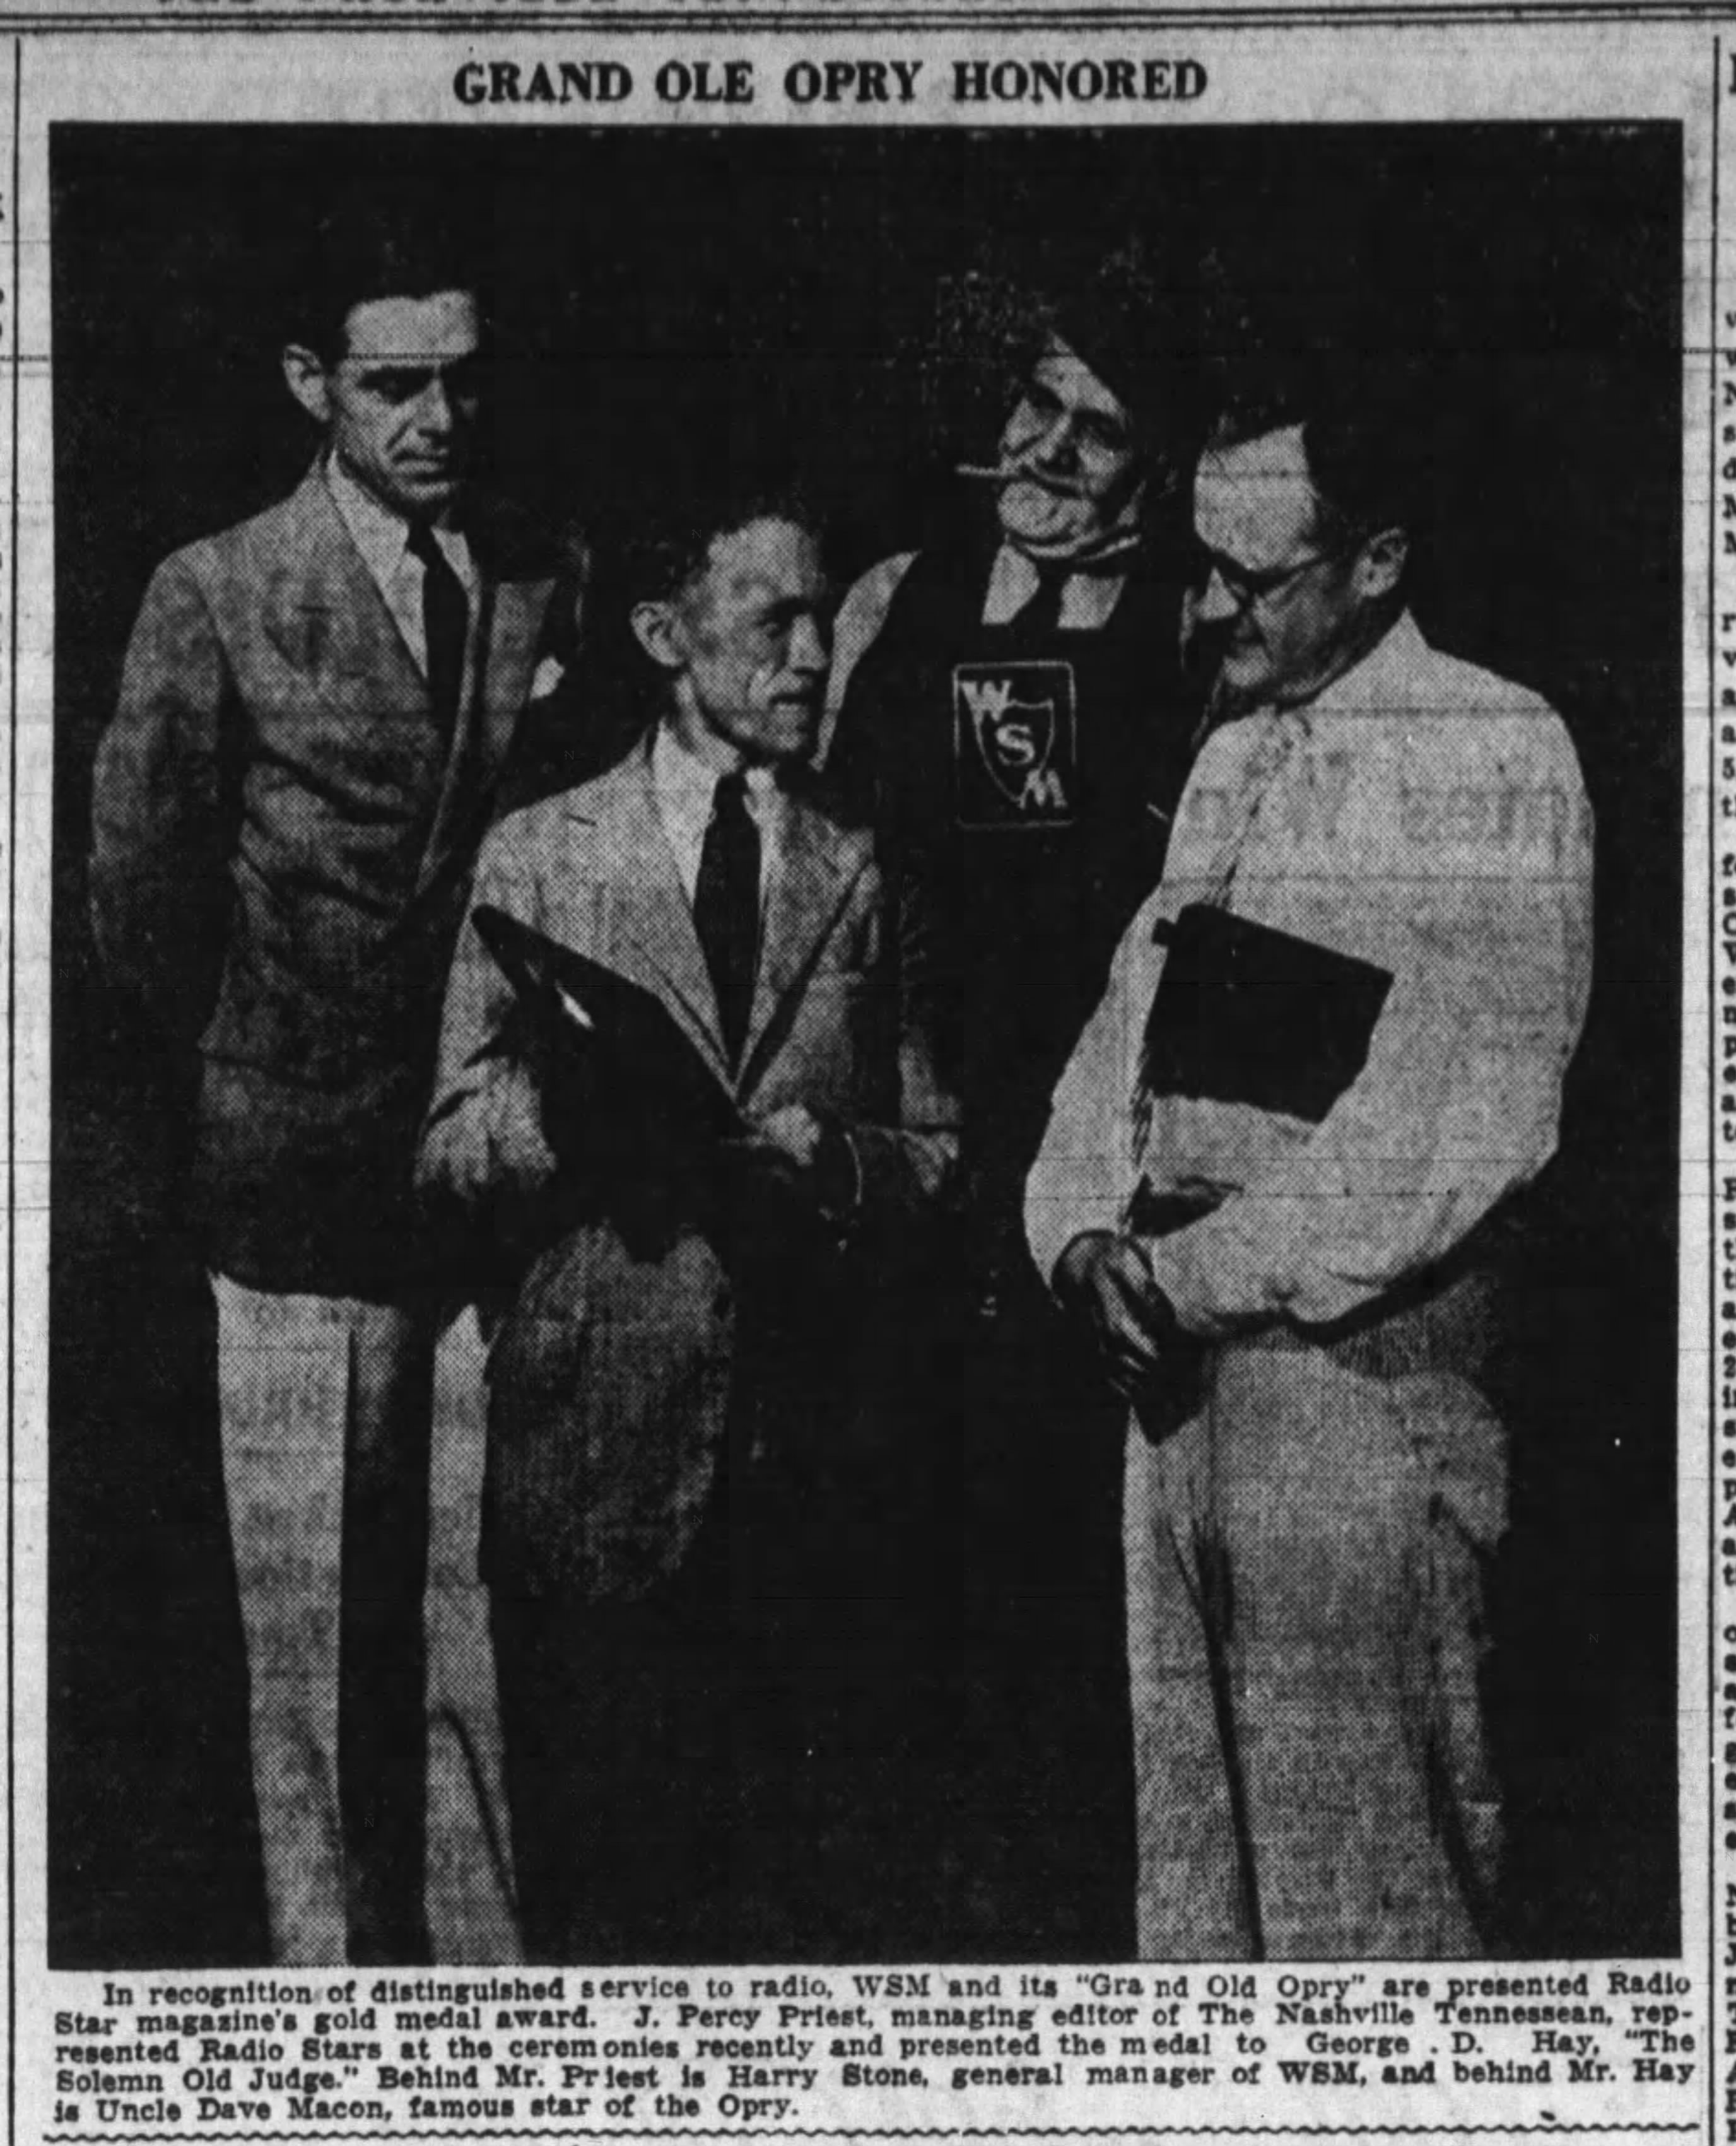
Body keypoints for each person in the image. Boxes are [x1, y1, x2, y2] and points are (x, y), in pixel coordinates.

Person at [1024, 377, 1595, 1959]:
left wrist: (1182, 1277)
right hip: (1173, 1398)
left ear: (1379, 559)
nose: (1205, 607)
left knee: (1370, 1905)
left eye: (1248, 577)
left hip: (1352, 1409)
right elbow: (1118, 1038)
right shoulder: (1228, 760)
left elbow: (1450, 1124)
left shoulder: (1489, 746)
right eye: (1196, 565)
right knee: (1194, 1901)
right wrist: (1075, 1236)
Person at [88, 207, 556, 1964]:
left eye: (461, 381)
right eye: (392, 385)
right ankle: (322, 2001)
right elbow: (137, 920)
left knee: (464, 1630)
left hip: (480, 1196)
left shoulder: (532, 581)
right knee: (309, 1645)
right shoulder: (213, 590)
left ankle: (485, 1996)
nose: (436, 419)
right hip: (283, 1198)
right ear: (311, 385)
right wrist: (271, 1077)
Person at [418, 491, 959, 1961]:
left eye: (825, 618)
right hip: (599, 1471)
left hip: (815, 1474)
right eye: (771, 618)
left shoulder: (867, 860)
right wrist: (562, 1132)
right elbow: (447, 1148)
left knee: (805, 1914)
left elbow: (937, 1147)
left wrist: (837, 1166)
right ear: (663, 635)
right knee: (608, 1910)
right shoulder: (538, 854)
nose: (811, 653)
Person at [819, 259, 1201, 1954]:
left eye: (1099, 431)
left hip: (1078, 1176)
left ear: (1159, 469)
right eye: (1033, 407)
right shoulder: (899, 595)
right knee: (884, 1564)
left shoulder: (1200, 628)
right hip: (895, 1154)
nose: (1047, 449)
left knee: (1062, 1597)